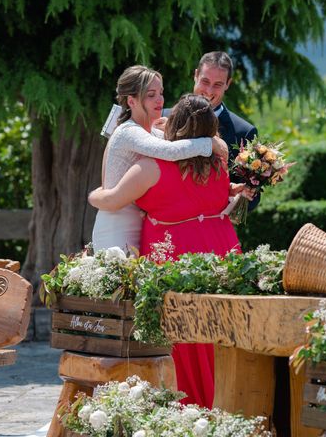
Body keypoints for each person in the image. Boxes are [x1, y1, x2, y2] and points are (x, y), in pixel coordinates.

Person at [89, 94, 252, 409]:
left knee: (183, 332)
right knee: (220, 325)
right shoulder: (218, 160)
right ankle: (229, 397)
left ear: (175, 126)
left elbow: (112, 200)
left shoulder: (150, 167)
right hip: (220, 248)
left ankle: (190, 403)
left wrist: (94, 194)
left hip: (177, 253)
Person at [92, 65, 227, 252]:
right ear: (131, 101)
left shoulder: (153, 133)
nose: (160, 100)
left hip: (144, 225)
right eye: (151, 95)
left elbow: (181, 146)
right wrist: (210, 143)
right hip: (117, 226)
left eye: (161, 93)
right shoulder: (127, 131)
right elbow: (171, 151)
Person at [192, 51, 260, 209]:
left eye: (217, 85)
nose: (209, 91)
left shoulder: (244, 132)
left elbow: (251, 198)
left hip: (212, 225)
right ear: (195, 75)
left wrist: (240, 195)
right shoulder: (164, 116)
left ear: (228, 84)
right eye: (205, 81)